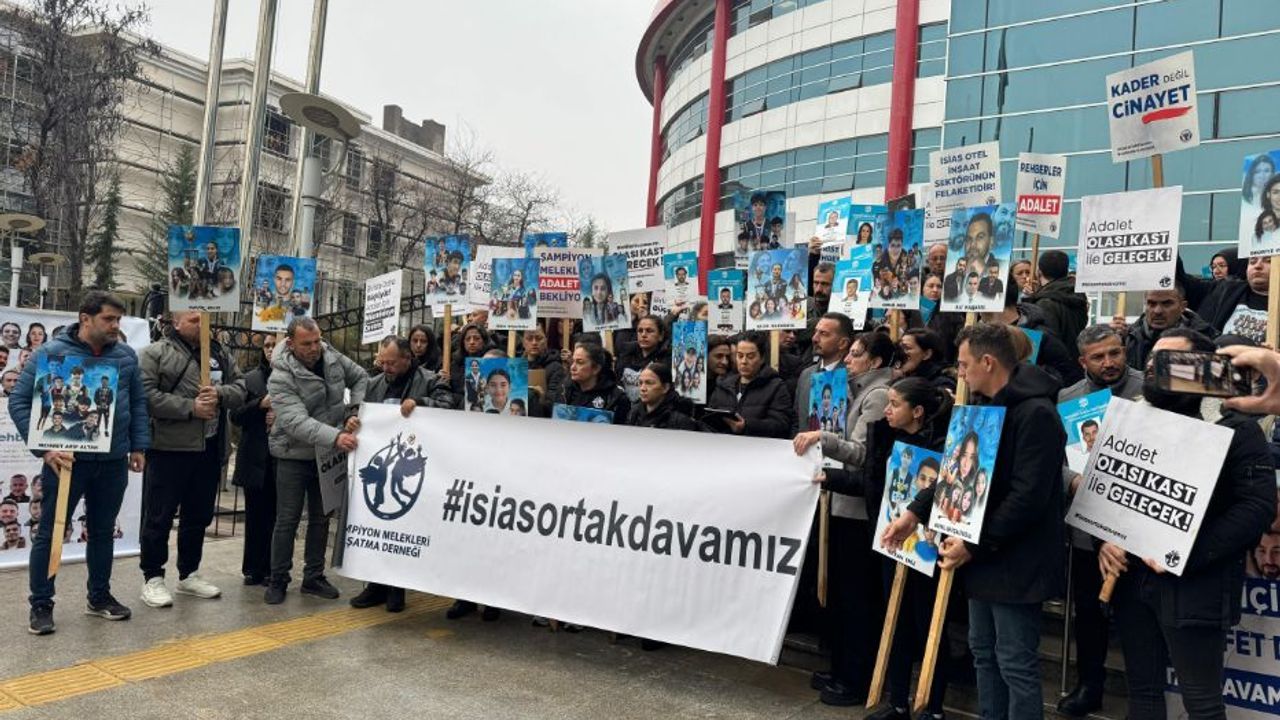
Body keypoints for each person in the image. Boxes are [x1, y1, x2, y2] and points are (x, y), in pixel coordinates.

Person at [884, 323, 1066, 720]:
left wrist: (973, 544)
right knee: (983, 652)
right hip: (981, 556)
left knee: (1015, 661)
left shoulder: (1036, 414)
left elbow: (1027, 497)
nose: (960, 373)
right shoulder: (983, 409)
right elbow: (953, 474)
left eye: (965, 365)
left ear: (988, 362)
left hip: (1016, 561)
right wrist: (914, 512)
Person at [1100, 328, 1275, 720]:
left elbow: (1257, 507)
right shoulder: (1130, 419)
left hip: (1196, 585)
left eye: (1168, 359)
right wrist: (1106, 540)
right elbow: (1110, 493)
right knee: (1142, 694)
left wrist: (1184, 553)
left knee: (1202, 703)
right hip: (1133, 581)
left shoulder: (1235, 427)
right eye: (1152, 357)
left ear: (1201, 368)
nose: (1153, 365)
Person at [10, 291, 148, 635]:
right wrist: (45, 451)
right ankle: (41, 604)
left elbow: (138, 403)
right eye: (108, 319)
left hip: (112, 461)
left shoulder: (126, 356)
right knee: (51, 532)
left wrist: (138, 446)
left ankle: (99, 597)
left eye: (118, 319)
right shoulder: (50, 353)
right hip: (66, 462)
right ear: (85, 318)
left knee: (102, 531)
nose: (115, 325)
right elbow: (19, 401)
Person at [827, 377, 954, 720]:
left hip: (928, 546)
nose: (887, 410)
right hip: (891, 539)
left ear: (918, 411)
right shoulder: (886, 438)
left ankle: (932, 707)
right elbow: (870, 484)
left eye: (895, 404)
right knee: (896, 621)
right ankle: (898, 701)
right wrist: (829, 478)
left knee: (928, 625)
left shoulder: (942, 443)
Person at [791, 330, 897, 705]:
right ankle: (840, 668)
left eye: (855, 354)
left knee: (856, 598)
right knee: (838, 595)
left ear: (875, 361)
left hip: (857, 511)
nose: (848, 360)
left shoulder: (878, 395)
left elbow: (863, 453)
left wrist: (823, 437)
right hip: (837, 500)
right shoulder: (850, 388)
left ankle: (855, 677)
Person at [1051, 324, 1143, 716]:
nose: (1109, 362)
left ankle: (1144, 694)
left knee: (1138, 617)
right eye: (1099, 357)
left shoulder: (1147, 389)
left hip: (1140, 529)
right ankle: (1090, 685)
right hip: (1088, 526)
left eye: (1114, 353)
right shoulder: (1068, 397)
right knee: (1089, 613)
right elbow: (1052, 458)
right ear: (1082, 361)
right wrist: (1071, 481)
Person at [138, 310, 246, 608]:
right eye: (194, 320)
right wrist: (190, 407)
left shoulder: (220, 353)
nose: (201, 325)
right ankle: (152, 577)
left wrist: (219, 394)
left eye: (204, 319)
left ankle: (188, 573)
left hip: (209, 448)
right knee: (159, 516)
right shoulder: (155, 353)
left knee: (198, 515)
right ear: (175, 322)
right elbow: (145, 396)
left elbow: (241, 388)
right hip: (169, 449)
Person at [265, 316, 368, 605]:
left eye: (317, 341)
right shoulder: (280, 377)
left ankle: (314, 577)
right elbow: (295, 421)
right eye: (306, 344)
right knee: (287, 520)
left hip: (326, 454)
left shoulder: (330, 355)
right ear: (290, 344)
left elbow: (360, 377)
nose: (314, 348)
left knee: (321, 518)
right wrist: (336, 436)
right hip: (293, 454)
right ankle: (278, 579)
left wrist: (354, 411)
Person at [349, 335, 456, 613]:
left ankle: (397, 588)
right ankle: (375, 586)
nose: (385, 368)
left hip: (414, 471)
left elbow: (449, 405)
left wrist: (420, 403)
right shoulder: (373, 384)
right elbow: (357, 412)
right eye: (382, 362)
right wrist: (352, 419)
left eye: (391, 363)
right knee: (377, 527)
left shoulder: (430, 380)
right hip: (381, 464)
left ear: (408, 359)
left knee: (404, 529)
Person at [230, 334, 277, 587]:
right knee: (255, 515)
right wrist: (260, 404)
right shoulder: (250, 379)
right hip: (255, 457)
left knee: (276, 516)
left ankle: (272, 567)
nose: (270, 350)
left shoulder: (294, 377)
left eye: (274, 345)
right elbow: (236, 415)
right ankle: (252, 568)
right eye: (267, 345)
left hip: (280, 458)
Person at [706, 332, 792, 439]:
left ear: (762, 358)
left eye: (750, 356)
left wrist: (747, 426)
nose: (744, 361)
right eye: (740, 356)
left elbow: (781, 425)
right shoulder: (723, 385)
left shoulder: (776, 387)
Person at [1111, 286, 1217, 371]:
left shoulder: (1208, 340)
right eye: (1151, 304)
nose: (1158, 311)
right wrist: (1116, 341)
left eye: (1167, 304)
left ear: (1183, 306)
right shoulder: (1128, 338)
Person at [1177, 253, 1270, 342]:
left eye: (1268, 261)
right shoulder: (1225, 290)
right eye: (1252, 262)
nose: (1257, 266)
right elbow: (1182, 279)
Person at [794, 313, 854, 433]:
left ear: (843, 343)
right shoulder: (806, 375)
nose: (814, 338)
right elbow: (796, 419)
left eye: (823, 334)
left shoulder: (852, 377)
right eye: (815, 332)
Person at [1025, 250, 1088, 356]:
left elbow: (1043, 344)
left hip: (1054, 363)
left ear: (1039, 272)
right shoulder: (1076, 295)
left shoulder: (1045, 303)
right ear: (1066, 271)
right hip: (1075, 359)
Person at [559, 342, 630, 424]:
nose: (572, 367)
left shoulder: (615, 397)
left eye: (580, 362)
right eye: (572, 361)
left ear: (596, 368)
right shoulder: (564, 390)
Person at [628, 363, 699, 430]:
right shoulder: (634, 414)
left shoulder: (680, 421)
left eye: (649, 383)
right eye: (640, 383)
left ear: (665, 388)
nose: (642, 388)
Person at [615, 315, 668, 403]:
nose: (643, 335)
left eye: (649, 331)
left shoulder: (666, 360)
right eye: (640, 331)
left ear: (660, 336)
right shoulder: (625, 354)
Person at [522, 325, 567, 415]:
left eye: (539, 338)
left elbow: (555, 406)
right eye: (529, 338)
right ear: (523, 342)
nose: (534, 342)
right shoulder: (516, 366)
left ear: (545, 340)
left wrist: (542, 398)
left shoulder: (555, 367)